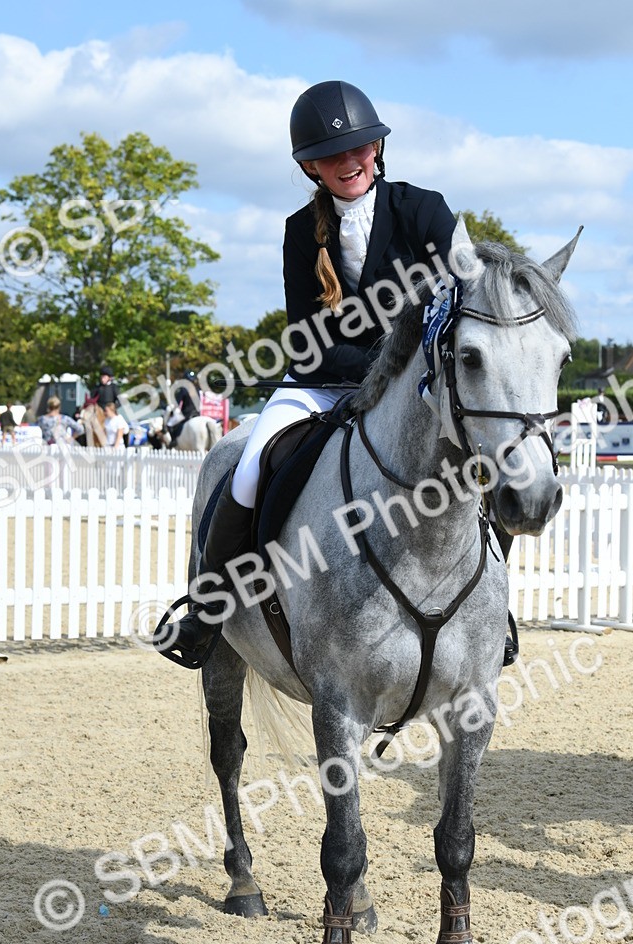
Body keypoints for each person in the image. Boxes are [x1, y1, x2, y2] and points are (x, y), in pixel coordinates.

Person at [165, 79, 457, 663]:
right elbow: (309, 342)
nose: (349, 162)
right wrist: (381, 369)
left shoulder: (424, 209)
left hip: (418, 383)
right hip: (324, 384)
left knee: (475, 457)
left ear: (377, 148)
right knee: (250, 466)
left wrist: (409, 370)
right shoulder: (301, 232)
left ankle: (490, 612)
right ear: (311, 167)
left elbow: (458, 300)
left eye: (359, 147)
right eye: (332, 155)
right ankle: (207, 609)